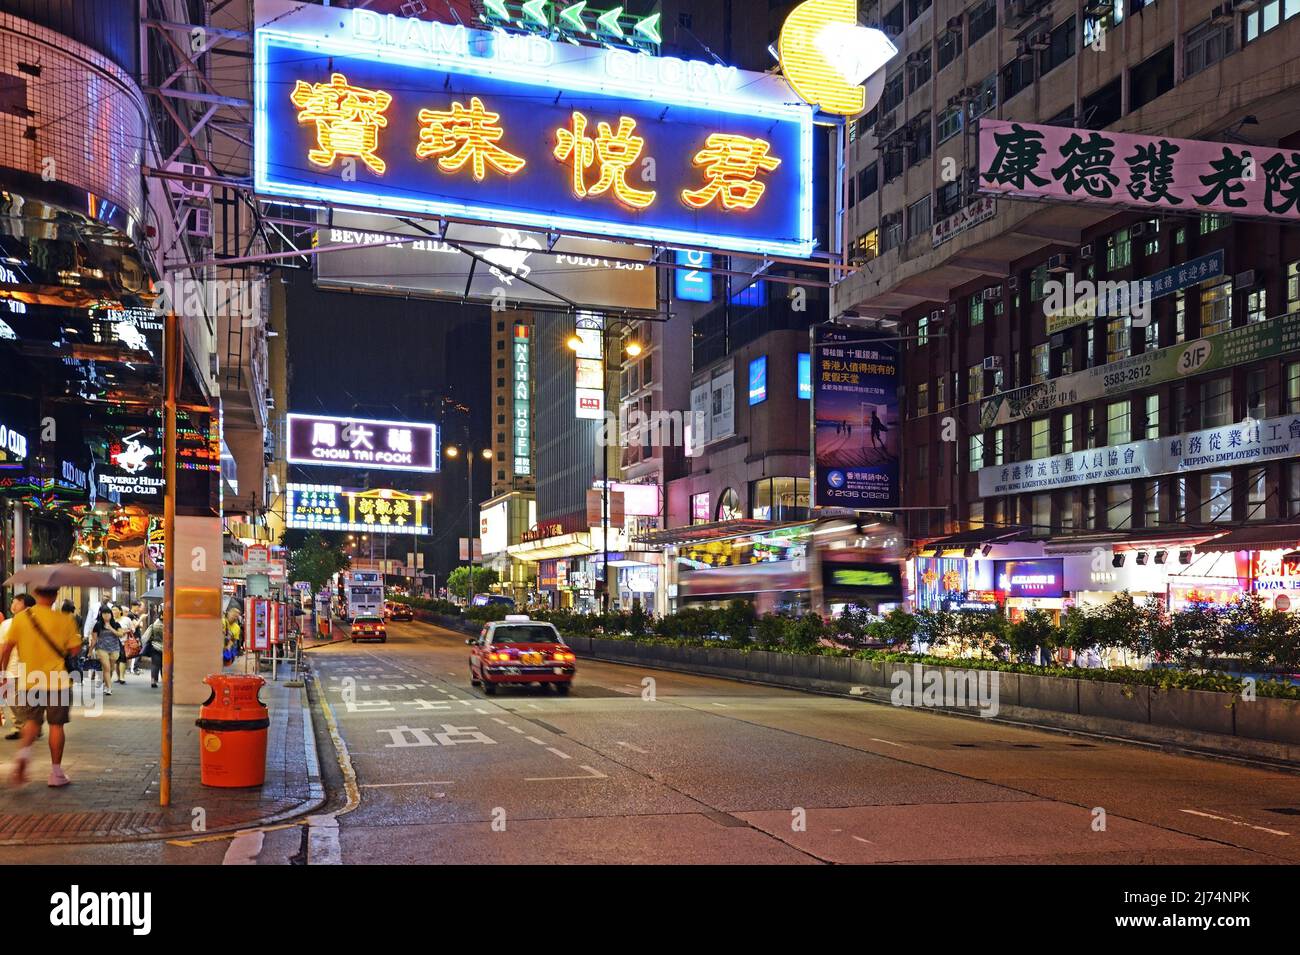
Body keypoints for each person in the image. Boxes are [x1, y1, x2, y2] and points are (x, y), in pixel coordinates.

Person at [0, 586, 82, 786]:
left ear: (35, 595)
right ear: (55, 596)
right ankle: (55, 773)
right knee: (56, 725)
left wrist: (2, 673)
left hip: (30, 681)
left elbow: (6, 648)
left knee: (31, 723)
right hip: (57, 682)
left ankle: (22, 757)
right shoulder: (65, 620)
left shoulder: (20, 619)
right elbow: (75, 650)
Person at [0, 595, 35, 740]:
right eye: (13, 601)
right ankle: (23, 725)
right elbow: (2, 647)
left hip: (31, 666)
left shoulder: (35, 623)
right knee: (13, 698)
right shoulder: (7, 623)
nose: (12, 604)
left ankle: (30, 724)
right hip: (12, 666)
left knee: (27, 698)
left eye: (16, 602)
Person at [89, 605, 123, 695]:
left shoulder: (116, 624)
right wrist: (90, 651)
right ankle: (109, 688)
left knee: (111, 669)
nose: (106, 615)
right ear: (101, 614)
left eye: (108, 613)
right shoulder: (97, 625)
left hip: (114, 649)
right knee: (106, 668)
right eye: (104, 613)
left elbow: (121, 634)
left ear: (111, 614)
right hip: (101, 649)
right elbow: (94, 640)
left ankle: (105, 684)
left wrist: (111, 628)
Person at [142, 613, 164, 688]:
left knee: (155, 664)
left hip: (155, 646)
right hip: (167, 648)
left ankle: (153, 681)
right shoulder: (170, 625)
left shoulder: (154, 624)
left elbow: (145, 637)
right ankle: (165, 680)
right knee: (164, 665)